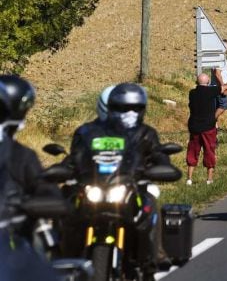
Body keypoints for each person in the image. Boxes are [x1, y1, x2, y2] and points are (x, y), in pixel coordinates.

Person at [63, 84, 174, 268]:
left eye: (133, 109)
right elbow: (75, 157)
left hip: (129, 185)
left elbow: (157, 154)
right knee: (68, 200)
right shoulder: (87, 132)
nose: (128, 113)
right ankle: (60, 250)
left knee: (149, 202)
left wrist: (160, 167)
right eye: (121, 108)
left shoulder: (144, 133)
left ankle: (155, 252)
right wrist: (63, 170)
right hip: (95, 185)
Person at [0, 76, 63, 243]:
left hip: (11, 247)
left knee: (44, 239)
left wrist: (24, 204)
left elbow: (50, 194)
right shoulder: (21, 155)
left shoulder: (20, 156)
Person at [186, 73, 218, 185]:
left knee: (193, 151)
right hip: (208, 127)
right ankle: (209, 179)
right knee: (209, 151)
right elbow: (226, 87)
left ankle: (189, 178)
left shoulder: (192, 93)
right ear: (208, 82)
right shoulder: (211, 92)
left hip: (194, 126)